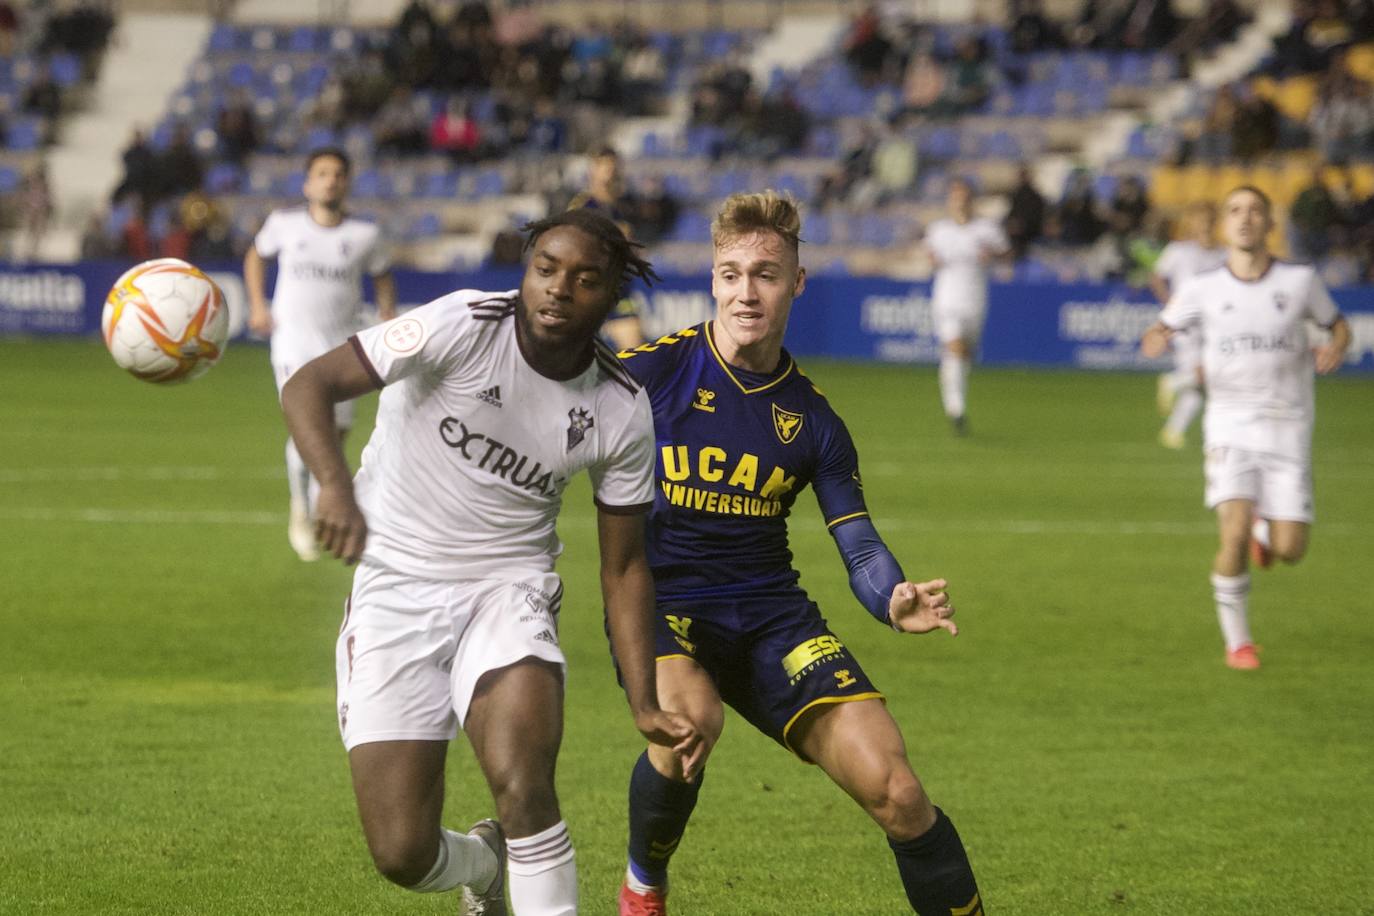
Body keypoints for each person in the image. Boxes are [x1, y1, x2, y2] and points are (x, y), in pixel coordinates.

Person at [278, 208, 703, 915]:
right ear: (526, 268)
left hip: (509, 591)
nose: (559, 289)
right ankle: (483, 864)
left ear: (611, 296)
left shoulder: (620, 407)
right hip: (396, 586)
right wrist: (332, 486)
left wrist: (643, 697)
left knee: (522, 779)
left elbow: (625, 567)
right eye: (546, 269)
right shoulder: (462, 324)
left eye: (585, 279)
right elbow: (308, 386)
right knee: (402, 852)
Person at [614, 191, 983, 915]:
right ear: (713, 279)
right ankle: (642, 884)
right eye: (730, 273)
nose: (745, 292)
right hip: (665, 605)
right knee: (692, 724)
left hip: (771, 616)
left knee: (900, 793)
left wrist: (892, 596)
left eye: (765, 274)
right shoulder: (649, 373)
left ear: (796, 283)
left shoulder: (815, 421)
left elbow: (859, 544)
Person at [1141, 186, 1350, 671]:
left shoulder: (1299, 282)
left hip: (1288, 428)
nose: (1245, 218)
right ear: (1224, 225)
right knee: (1229, 535)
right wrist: (1155, 338)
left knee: (1290, 549)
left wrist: (1336, 345)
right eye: (1235, 210)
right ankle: (1239, 643)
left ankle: (1265, 530)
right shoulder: (1202, 288)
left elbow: (1338, 325)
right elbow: (1162, 326)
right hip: (1229, 427)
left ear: (1269, 224)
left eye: (1255, 211)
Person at [244, 148, 397, 561]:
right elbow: (256, 256)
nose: (330, 180)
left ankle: (313, 504)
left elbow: (382, 276)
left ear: (347, 183)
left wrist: (386, 312)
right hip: (292, 342)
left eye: (338, 174)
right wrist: (258, 304)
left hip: (342, 346)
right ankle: (306, 510)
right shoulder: (284, 224)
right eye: (322, 173)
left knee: (335, 436)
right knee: (308, 424)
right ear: (308, 183)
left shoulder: (365, 235)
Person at [923, 177, 1009, 434]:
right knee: (955, 346)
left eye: (964, 196)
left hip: (975, 299)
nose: (960, 201)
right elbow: (930, 258)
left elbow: (1007, 253)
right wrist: (933, 259)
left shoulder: (987, 229)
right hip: (947, 298)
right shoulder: (939, 230)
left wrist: (992, 255)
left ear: (972, 200)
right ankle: (956, 409)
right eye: (955, 197)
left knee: (963, 354)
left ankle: (956, 397)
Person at [1150, 202, 1226, 449]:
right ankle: (1173, 382)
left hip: (1213, 323)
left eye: (1210, 220)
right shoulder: (1179, 251)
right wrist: (1171, 304)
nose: (1206, 225)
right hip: (1187, 324)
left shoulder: (1223, 254)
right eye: (1201, 220)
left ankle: (1172, 431)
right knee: (1209, 374)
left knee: (1204, 384)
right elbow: (1156, 277)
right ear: (1192, 223)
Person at [568, 146, 646, 350]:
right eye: (604, 165)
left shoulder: (622, 206)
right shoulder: (583, 206)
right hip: (590, 292)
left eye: (613, 166)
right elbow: (573, 247)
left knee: (636, 354)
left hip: (619, 291)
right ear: (592, 169)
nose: (610, 171)